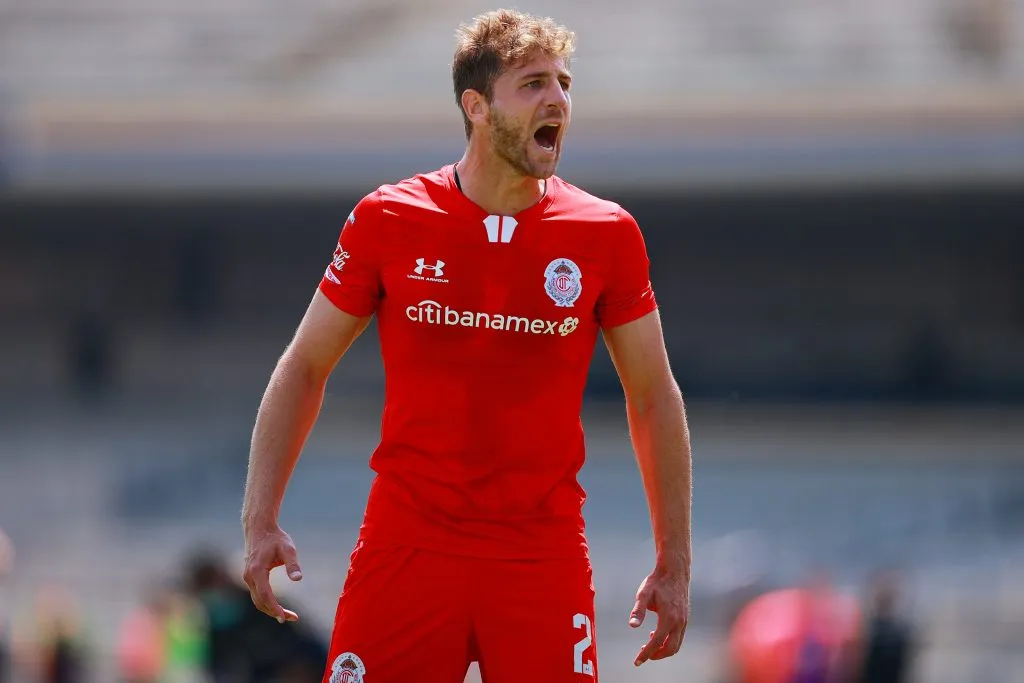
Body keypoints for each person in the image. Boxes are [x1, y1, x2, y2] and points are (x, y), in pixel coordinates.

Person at [240, 8, 693, 682]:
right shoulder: (387, 219)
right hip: (407, 545)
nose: (558, 100)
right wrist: (261, 518)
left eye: (565, 83)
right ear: (476, 106)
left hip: (542, 556)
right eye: (534, 83)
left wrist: (674, 560)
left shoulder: (607, 234)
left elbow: (653, 395)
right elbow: (305, 365)